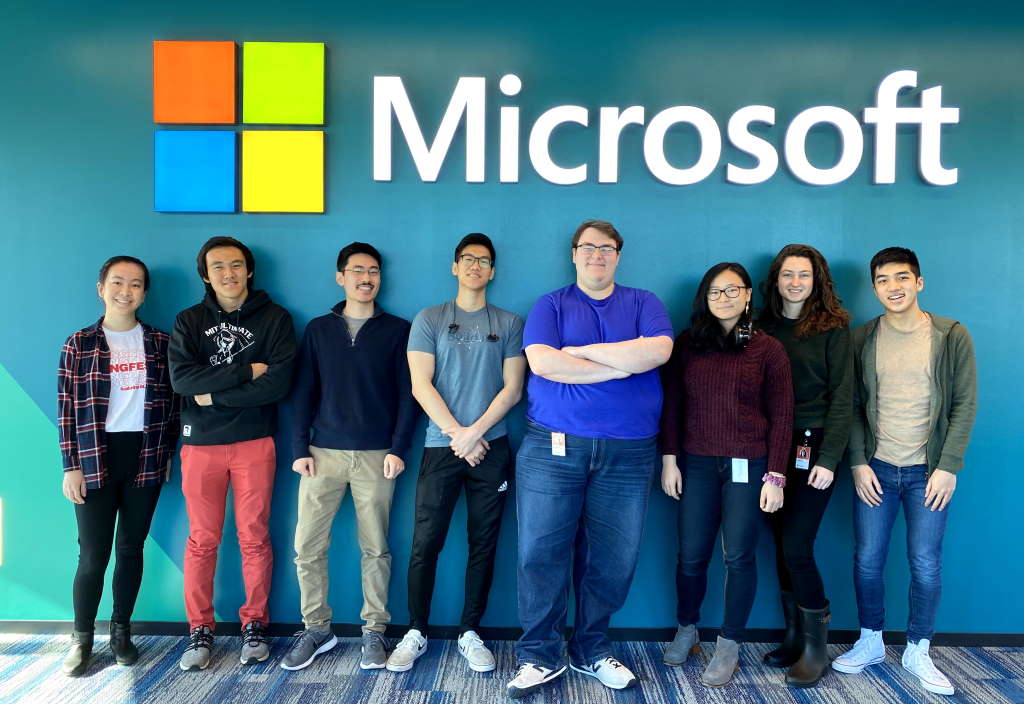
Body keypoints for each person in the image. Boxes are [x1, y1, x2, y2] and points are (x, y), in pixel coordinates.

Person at [507, 220, 673, 698]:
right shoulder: (551, 304)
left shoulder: (644, 302)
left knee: (614, 557)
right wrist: (622, 364)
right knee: (540, 553)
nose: (596, 254)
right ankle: (539, 654)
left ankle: (591, 649)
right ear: (573, 254)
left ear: (618, 255)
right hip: (552, 449)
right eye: (588, 247)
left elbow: (659, 351)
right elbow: (543, 362)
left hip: (630, 452)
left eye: (606, 248)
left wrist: (583, 357)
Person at [832, 247, 976, 697]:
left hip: (927, 472)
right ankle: (871, 640)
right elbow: (851, 407)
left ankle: (918, 647)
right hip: (875, 467)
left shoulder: (951, 335)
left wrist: (948, 466)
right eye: (882, 280)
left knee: (926, 564)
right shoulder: (861, 339)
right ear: (874, 287)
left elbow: (964, 405)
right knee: (867, 560)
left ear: (919, 282)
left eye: (901, 278)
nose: (892, 287)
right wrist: (856, 461)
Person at [388, 233, 525, 674]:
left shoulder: (508, 322)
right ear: (455, 266)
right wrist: (456, 434)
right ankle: (416, 631)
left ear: (493, 271)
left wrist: (475, 433)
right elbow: (420, 384)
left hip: (492, 446)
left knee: (483, 544)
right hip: (440, 446)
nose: (475, 266)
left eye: (483, 260)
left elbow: (513, 388)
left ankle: (470, 631)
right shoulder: (429, 318)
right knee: (425, 543)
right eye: (467, 259)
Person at [282, 242, 418, 671]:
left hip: (378, 456)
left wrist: (398, 449)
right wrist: (298, 448)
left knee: (375, 548)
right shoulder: (319, 329)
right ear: (340, 277)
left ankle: (374, 631)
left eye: (374, 270)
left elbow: (408, 396)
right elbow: (302, 391)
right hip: (322, 455)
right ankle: (317, 629)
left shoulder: (399, 330)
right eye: (357, 270)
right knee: (307, 547)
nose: (366, 277)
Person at [659, 262, 793, 687]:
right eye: (715, 291)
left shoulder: (768, 348)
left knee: (738, 556)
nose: (724, 298)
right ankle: (687, 628)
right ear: (705, 297)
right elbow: (673, 407)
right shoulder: (687, 345)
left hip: (748, 465)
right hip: (696, 463)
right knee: (691, 555)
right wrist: (669, 459)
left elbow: (783, 414)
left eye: (733, 290)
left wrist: (775, 476)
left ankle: (730, 642)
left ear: (749, 294)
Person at [168, 236, 296, 671]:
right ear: (206, 274)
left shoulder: (275, 319)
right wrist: (244, 372)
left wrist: (215, 395)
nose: (229, 273)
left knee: (254, 537)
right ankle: (199, 630)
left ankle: (254, 624)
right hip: (200, 445)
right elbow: (183, 382)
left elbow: (277, 384)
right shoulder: (188, 321)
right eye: (218, 266)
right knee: (202, 539)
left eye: (237, 264)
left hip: (255, 442)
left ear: (249, 270)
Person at [58, 256, 179, 677]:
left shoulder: (161, 344)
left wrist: (164, 456)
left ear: (144, 293)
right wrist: (70, 465)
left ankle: (121, 632)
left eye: (135, 284)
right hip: (94, 455)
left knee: (131, 548)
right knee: (93, 554)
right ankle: (82, 639)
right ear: (101, 287)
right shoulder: (80, 343)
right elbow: (67, 409)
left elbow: (171, 405)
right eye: (117, 282)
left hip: (144, 456)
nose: (125, 291)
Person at [757, 244, 853, 687]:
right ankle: (795, 636)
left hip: (814, 449)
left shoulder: (834, 329)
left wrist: (830, 459)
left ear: (818, 281)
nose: (796, 282)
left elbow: (843, 400)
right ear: (776, 279)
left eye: (805, 275)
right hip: (770, 446)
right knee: (779, 542)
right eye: (788, 274)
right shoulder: (761, 326)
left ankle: (818, 649)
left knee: (797, 544)